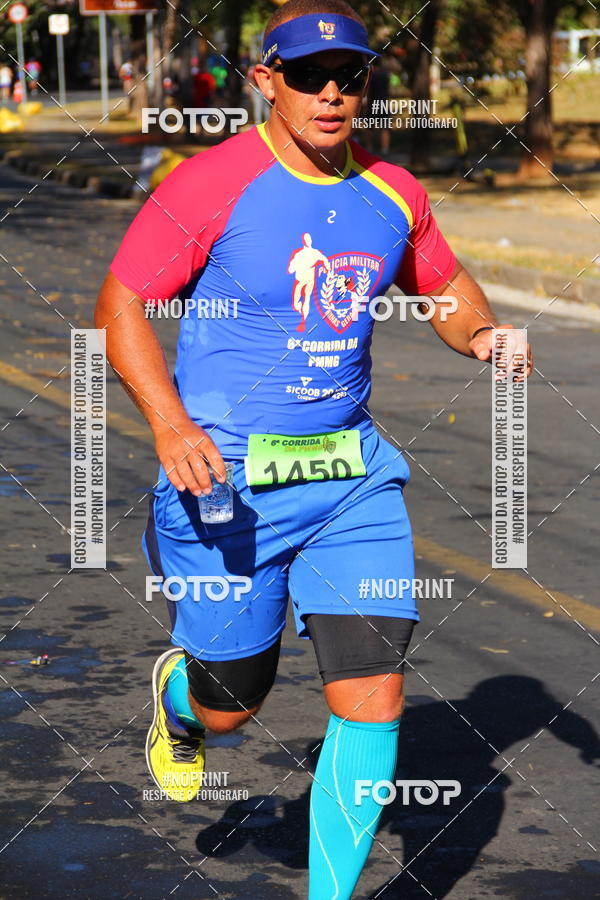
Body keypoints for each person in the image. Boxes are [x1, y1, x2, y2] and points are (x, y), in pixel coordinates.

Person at [95, 1, 533, 897]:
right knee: (231, 707)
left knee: (374, 697)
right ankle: (182, 701)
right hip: (224, 483)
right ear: (267, 80)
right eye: (307, 75)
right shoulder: (208, 184)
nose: (331, 93)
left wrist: (483, 335)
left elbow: (445, 283)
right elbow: (120, 305)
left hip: (349, 480)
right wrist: (171, 425)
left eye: (350, 76)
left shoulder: (393, 192)